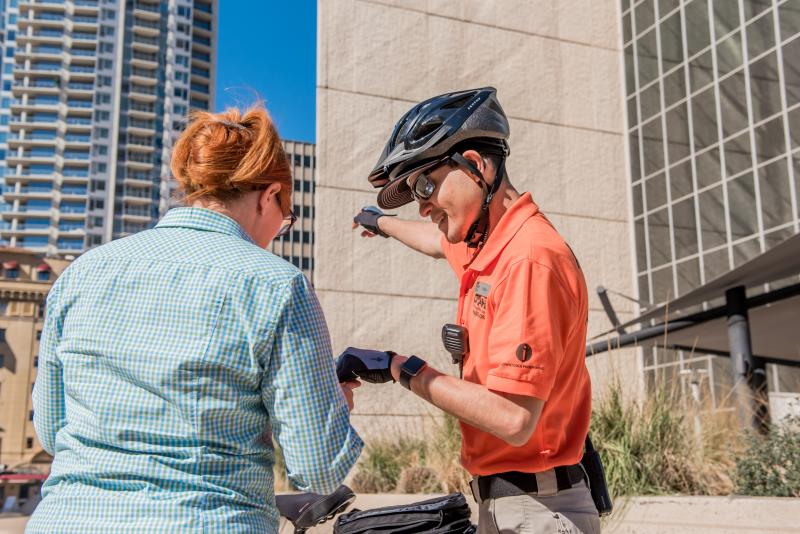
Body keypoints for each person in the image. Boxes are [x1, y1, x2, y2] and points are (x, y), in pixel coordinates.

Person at [28, 104, 362, 533]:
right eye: (286, 219)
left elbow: (54, 431)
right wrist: (324, 406)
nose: (279, 231)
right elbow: (317, 469)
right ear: (268, 196)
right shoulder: (277, 284)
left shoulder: (82, 272)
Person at [353, 87, 599, 534]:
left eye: (424, 184)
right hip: (512, 504)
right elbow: (434, 242)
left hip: (538, 510)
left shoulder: (527, 259)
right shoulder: (489, 246)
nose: (422, 204)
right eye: (412, 192)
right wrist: (379, 221)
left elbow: (514, 418)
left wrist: (400, 369)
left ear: (477, 164)